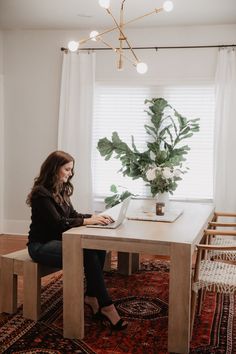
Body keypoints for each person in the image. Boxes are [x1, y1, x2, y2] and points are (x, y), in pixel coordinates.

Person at [26, 150, 128, 331]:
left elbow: (72, 215)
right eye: (67, 169)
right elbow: (59, 224)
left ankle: (90, 296)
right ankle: (106, 305)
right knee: (87, 251)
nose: (70, 173)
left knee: (97, 246)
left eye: (71, 170)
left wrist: (96, 217)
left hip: (60, 242)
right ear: (54, 169)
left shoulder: (61, 189)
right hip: (40, 246)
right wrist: (88, 221)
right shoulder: (41, 194)